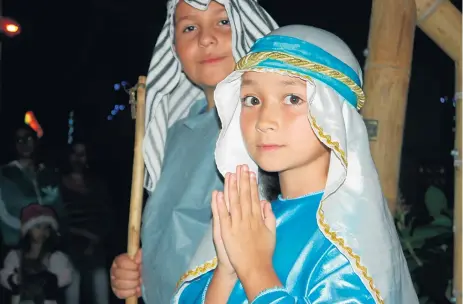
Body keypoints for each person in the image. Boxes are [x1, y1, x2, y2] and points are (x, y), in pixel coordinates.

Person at [172, 25, 419, 303]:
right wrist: (228, 270)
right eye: (252, 100)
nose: (265, 121)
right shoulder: (248, 223)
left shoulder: (349, 242)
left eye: (293, 99)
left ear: (334, 115)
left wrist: (255, 270)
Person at [109, 0, 278, 303]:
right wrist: (136, 274)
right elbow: (169, 239)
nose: (206, 38)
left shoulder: (270, 131)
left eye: (223, 22)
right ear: (173, 48)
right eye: (189, 27)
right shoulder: (174, 135)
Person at [61, 142, 112, 304]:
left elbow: (107, 217)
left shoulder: (97, 185)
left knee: (100, 284)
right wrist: (80, 234)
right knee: (72, 287)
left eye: (82, 154)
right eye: (75, 154)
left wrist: (96, 238)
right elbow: (58, 220)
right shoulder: (59, 185)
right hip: (70, 249)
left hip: (96, 248)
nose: (78, 158)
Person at [0, 125, 66, 248]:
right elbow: (3, 214)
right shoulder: (4, 175)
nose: (24, 143)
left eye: (28, 138)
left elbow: (60, 211)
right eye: (19, 140)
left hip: (49, 248)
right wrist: (31, 228)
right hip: (16, 246)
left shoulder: (48, 173)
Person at [0, 204, 73, 304]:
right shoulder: (15, 256)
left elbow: (65, 276)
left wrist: (50, 279)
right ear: (28, 229)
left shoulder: (55, 257)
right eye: (38, 227)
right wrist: (13, 280)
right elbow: (4, 276)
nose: (42, 232)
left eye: (46, 228)